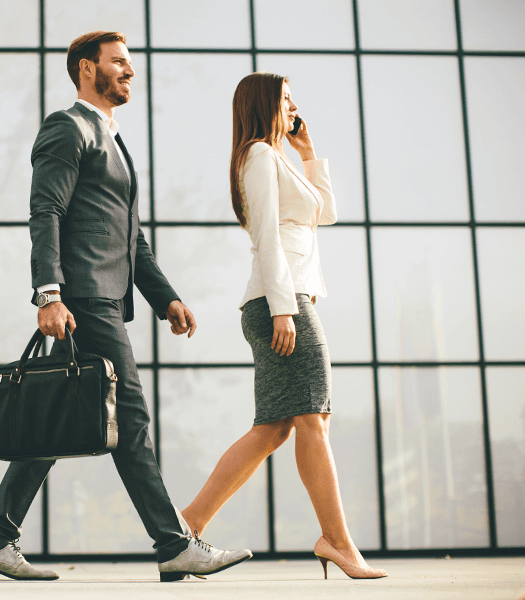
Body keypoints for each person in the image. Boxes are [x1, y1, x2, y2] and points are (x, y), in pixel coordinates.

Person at [0, 31, 252, 583]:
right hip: (83, 297)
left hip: (101, 298)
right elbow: (45, 211)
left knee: (57, 420)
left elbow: (132, 240)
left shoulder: (114, 141)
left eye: (129, 62)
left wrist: (164, 296)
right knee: (130, 416)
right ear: (85, 69)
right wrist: (48, 293)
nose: (128, 70)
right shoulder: (67, 128)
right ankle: (174, 545)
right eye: (117, 62)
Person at [178, 72, 386, 580]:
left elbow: (327, 213)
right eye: (287, 98)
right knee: (312, 418)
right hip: (282, 299)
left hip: (285, 297)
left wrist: (309, 149)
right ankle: (336, 540)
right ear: (266, 103)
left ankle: (186, 523)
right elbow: (268, 236)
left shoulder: (278, 158)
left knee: (274, 428)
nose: (295, 106)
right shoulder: (258, 156)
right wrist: (283, 309)